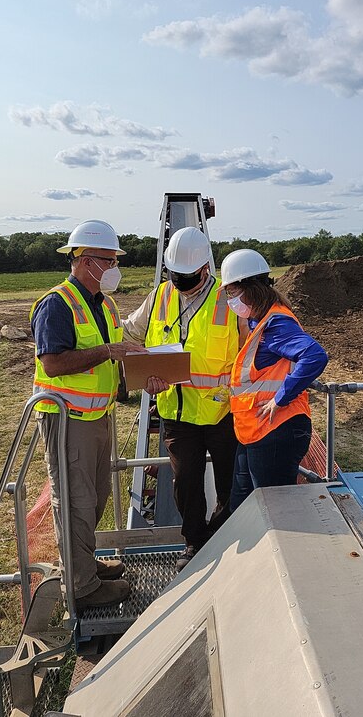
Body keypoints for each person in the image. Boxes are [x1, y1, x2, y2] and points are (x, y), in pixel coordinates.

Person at [30, 219, 147, 613]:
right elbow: (52, 361)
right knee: (76, 502)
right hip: (68, 422)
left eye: (115, 259)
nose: (115, 267)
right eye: (109, 259)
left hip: (97, 418)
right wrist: (108, 352)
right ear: (84, 260)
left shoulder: (104, 304)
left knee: (93, 500)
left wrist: (143, 373)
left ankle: (84, 564)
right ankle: (81, 586)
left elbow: (114, 360)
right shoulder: (57, 304)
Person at [123, 227, 245, 571]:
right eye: (174, 275)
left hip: (223, 412)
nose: (179, 282)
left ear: (206, 269)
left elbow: (250, 350)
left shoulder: (228, 299)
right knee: (186, 484)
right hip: (176, 413)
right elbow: (130, 332)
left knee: (230, 484)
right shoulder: (160, 296)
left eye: (186, 277)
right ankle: (195, 543)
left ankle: (224, 536)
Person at [220, 249, 328, 511]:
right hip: (257, 432)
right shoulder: (261, 320)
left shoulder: (276, 323)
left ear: (250, 289)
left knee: (274, 512)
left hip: (276, 432)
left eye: (233, 292)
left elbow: (314, 356)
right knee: (242, 506)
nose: (231, 299)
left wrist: (281, 398)